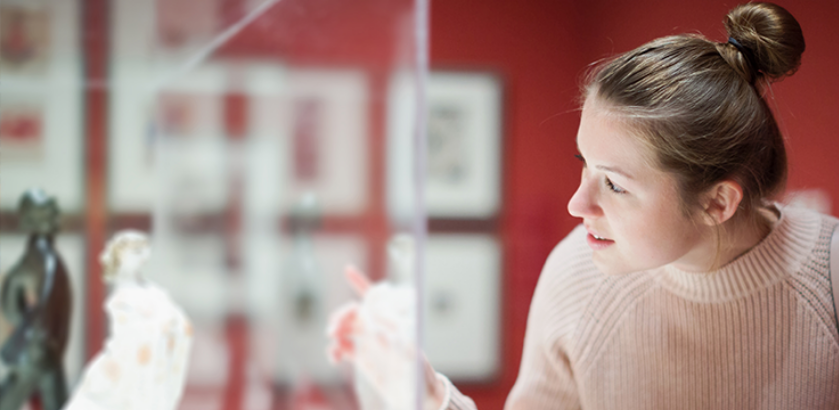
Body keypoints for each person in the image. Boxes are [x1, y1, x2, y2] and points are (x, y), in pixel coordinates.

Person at [328, 2, 839, 409]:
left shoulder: (829, 275)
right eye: (584, 165)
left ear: (717, 203)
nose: (577, 204)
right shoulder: (576, 272)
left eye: (614, 185)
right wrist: (426, 397)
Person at [64, 231, 193, 410]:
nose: (140, 256)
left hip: (147, 365)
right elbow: (128, 333)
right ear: (120, 255)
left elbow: (176, 318)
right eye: (134, 251)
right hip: (126, 362)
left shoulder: (154, 291)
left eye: (142, 250)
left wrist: (171, 324)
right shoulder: (121, 297)